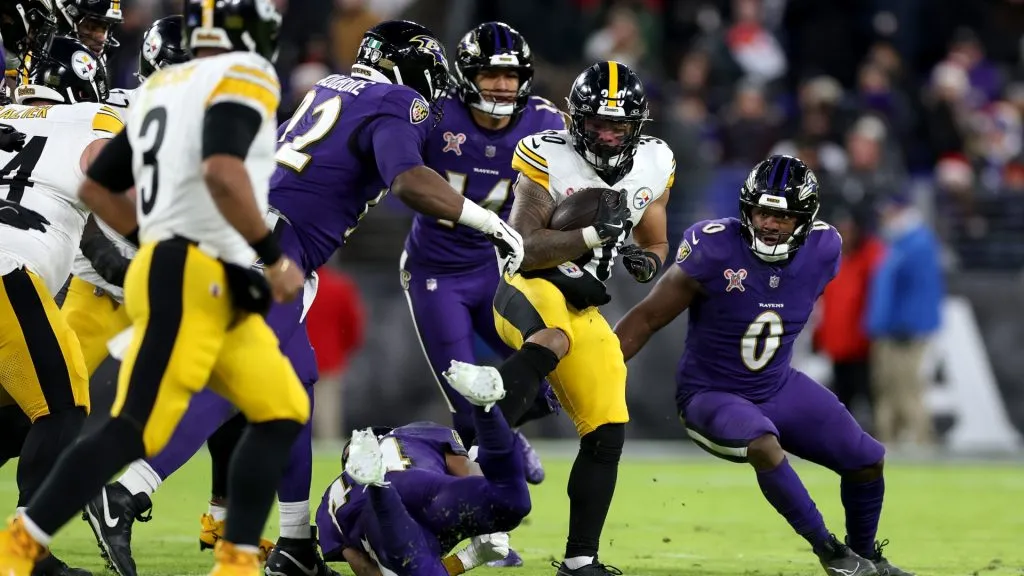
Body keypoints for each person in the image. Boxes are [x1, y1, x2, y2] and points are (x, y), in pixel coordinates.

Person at [83, 18, 528, 576]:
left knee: (295, 387)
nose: (432, 91)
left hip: (260, 234)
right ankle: (125, 494)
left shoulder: (331, 86)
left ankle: (294, 545)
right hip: (275, 247)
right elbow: (408, 180)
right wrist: (488, 221)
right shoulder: (396, 100)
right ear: (410, 65)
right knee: (233, 385)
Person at [0, 1, 312, 575]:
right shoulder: (240, 76)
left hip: (181, 268)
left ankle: (234, 559)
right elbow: (221, 173)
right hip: (191, 272)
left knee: (280, 405)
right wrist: (272, 259)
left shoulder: (163, 89)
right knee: (106, 419)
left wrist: (154, 243)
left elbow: (98, 189)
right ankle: (20, 548)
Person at [614, 155, 913, 576]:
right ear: (746, 210)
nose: (770, 224)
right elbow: (646, 317)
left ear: (805, 219)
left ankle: (866, 557)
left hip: (776, 385)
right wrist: (597, 370)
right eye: (762, 212)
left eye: (784, 216)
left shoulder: (825, 248)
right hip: (711, 393)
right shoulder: (714, 248)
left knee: (866, 458)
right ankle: (831, 553)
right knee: (762, 444)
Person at [497, 60, 674, 575]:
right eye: (596, 122)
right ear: (575, 119)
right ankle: (473, 435)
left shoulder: (655, 161)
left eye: (617, 125)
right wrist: (594, 234)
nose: (605, 133)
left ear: (638, 127)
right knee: (551, 338)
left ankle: (580, 560)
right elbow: (525, 249)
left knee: (607, 427)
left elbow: (655, 238)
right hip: (529, 288)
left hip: (586, 302)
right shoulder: (547, 153)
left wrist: (650, 261)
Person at [400, 20, 564, 495]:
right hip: (435, 272)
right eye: (490, 73)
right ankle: (492, 512)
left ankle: (506, 433)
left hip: (497, 270)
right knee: (465, 404)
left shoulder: (547, 122)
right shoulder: (433, 115)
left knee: (551, 371)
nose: (502, 84)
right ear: (466, 75)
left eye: (511, 75)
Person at [0, 35, 121, 576]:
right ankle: (26, 557)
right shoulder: (92, 118)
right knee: (63, 405)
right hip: (8, 267)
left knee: (16, 417)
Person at [64, 15, 192, 378]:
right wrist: (96, 247)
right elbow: (71, 182)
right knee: (47, 391)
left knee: (191, 408)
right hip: (103, 281)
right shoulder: (115, 112)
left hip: (171, 289)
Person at [322, 359, 531, 576]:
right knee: (513, 504)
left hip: (383, 516)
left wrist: (469, 558)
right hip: (423, 488)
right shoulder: (414, 433)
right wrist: (489, 522)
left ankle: (377, 484)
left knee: (416, 569)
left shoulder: (332, 498)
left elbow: (366, 570)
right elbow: (468, 471)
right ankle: (487, 411)